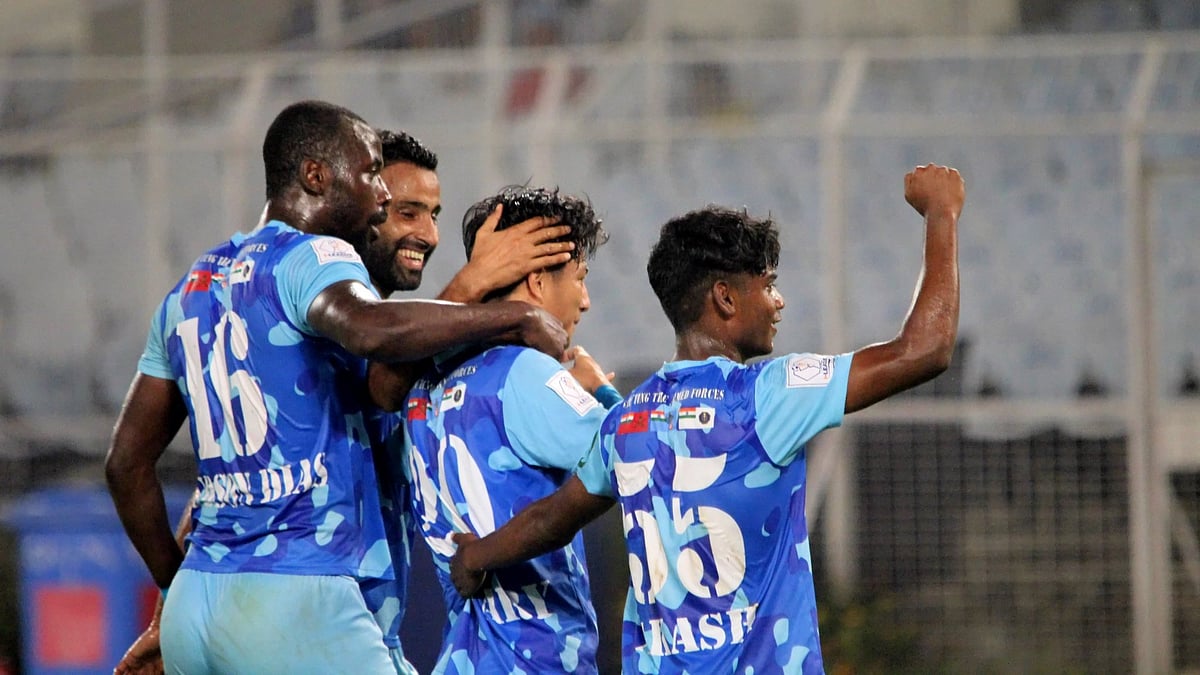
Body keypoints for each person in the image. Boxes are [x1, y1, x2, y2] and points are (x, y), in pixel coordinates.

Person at [104, 101, 568, 675]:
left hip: (205, 603)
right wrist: (510, 312)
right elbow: (377, 349)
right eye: (393, 199)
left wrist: (177, 593)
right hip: (304, 600)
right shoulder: (312, 259)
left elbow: (141, 463)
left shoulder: (191, 288)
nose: (386, 208)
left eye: (433, 214)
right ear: (317, 177)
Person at [449, 164, 964, 674]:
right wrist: (941, 213)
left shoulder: (628, 418)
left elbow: (550, 520)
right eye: (768, 286)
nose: (778, 303)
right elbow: (925, 351)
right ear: (724, 297)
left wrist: (475, 557)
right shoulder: (767, 395)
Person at [403, 186, 620, 674]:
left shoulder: (420, 391)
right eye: (580, 279)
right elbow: (640, 455)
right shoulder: (525, 375)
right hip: (536, 659)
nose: (584, 301)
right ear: (539, 282)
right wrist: (596, 393)